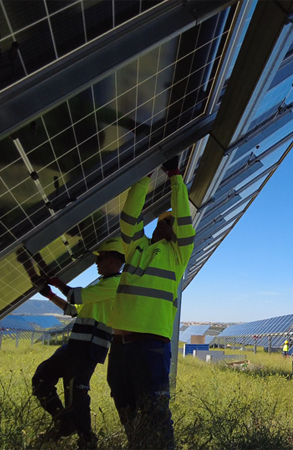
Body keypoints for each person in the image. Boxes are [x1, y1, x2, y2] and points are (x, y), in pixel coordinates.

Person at [106, 157, 195, 449]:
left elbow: (185, 219)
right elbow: (128, 219)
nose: (173, 226)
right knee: (126, 408)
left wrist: (174, 176)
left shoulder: (179, 255)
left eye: (175, 223)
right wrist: (143, 177)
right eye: (168, 222)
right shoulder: (136, 247)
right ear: (158, 225)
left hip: (151, 346)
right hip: (119, 346)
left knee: (156, 414)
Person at [32, 238, 125, 449]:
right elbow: (73, 310)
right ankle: (64, 422)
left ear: (111, 260)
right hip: (75, 347)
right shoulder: (100, 284)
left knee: (76, 395)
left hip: (89, 350)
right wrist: (50, 295)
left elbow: (75, 296)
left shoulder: (115, 284)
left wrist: (57, 282)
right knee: (41, 378)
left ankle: (87, 440)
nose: (96, 263)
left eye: (99, 259)